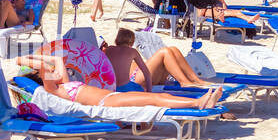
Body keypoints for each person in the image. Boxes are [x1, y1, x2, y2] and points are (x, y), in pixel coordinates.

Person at [16, 52, 222, 110]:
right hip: (107, 103)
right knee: (155, 100)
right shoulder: (52, 90)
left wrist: (46, 59)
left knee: (158, 97)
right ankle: (197, 103)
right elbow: (20, 60)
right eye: (48, 72)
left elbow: (57, 60)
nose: (54, 71)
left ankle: (201, 101)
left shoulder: (64, 85)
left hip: (113, 96)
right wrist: (39, 64)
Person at [103, 28, 215, 90]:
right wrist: (149, 91)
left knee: (173, 49)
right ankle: (184, 82)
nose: (106, 46)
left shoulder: (111, 50)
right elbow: (145, 71)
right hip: (135, 80)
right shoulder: (111, 52)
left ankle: (195, 79)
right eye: (103, 45)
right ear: (131, 42)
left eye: (106, 44)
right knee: (165, 52)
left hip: (141, 77)